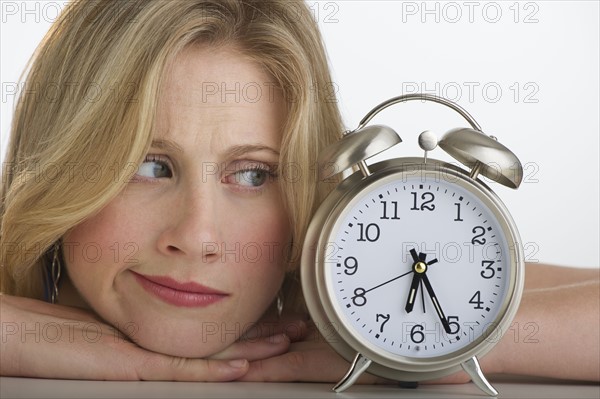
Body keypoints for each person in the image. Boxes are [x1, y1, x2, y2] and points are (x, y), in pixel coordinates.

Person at [1, 0, 598, 384]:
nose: (198, 238)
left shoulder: (343, 286)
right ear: (61, 167)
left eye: (255, 174)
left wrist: (450, 348)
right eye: (149, 167)